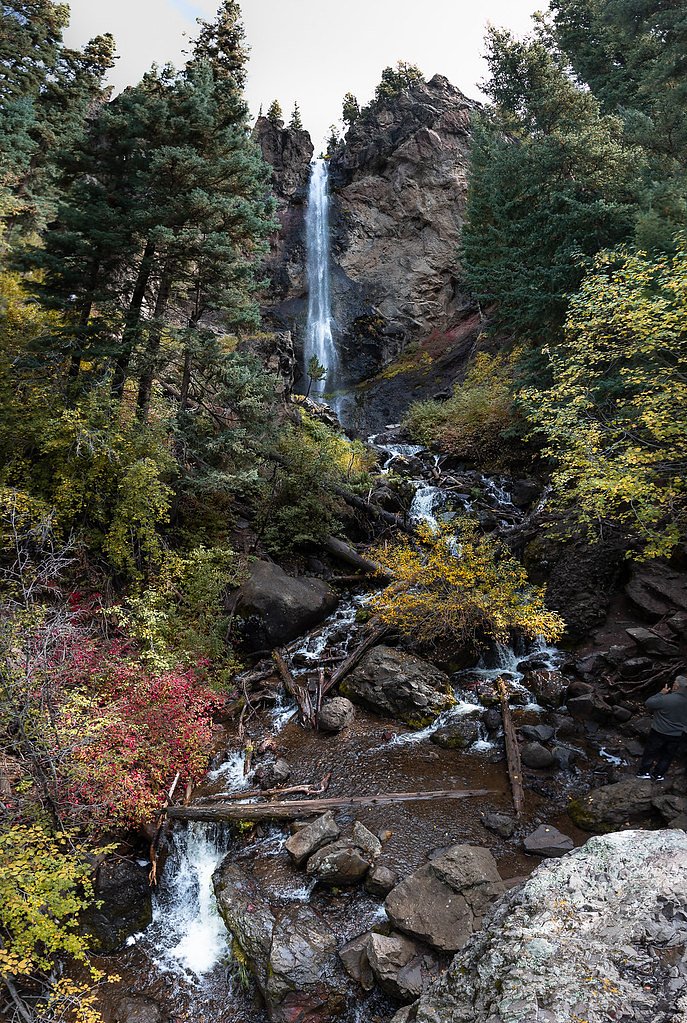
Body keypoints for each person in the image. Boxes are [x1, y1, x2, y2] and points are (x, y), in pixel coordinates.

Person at [637, 674, 687, 781]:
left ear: (676, 687)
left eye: (674, 683)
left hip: (659, 731)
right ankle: (658, 775)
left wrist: (661, 693)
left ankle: (644, 772)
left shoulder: (666, 699)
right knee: (667, 755)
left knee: (651, 752)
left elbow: (649, 703)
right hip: (677, 734)